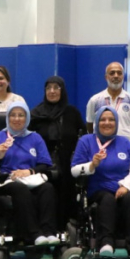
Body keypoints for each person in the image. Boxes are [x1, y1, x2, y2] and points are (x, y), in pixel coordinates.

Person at [70, 106, 130, 258]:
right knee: (107, 199)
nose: (107, 123)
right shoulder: (86, 141)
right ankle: (106, 242)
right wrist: (92, 165)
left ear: (117, 122)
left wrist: (126, 186)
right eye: (103, 119)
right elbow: (74, 170)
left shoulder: (124, 142)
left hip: (122, 187)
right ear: (96, 122)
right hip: (98, 189)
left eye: (111, 119)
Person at [0, 102, 59, 246]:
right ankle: (34, 234)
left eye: (21, 115)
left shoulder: (35, 138)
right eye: (13, 115)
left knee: (47, 188)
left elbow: (45, 164)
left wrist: (28, 171)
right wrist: (0, 155)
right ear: (8, 118)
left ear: (27, 118)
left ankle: (49, 232)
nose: (17, 119)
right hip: (5, 180)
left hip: (30, 178)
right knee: (20, 189)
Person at [30, 75, 86, 228]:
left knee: (67, 196)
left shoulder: (72, 113)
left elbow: (83, 137)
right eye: (48, 88)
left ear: (63, 91)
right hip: (43, 164)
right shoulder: (36, 114)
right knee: (46, 195)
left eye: (56, 88)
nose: (52, 91)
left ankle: (66, 230)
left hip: (68, 164)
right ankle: (45, 229)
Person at [85, 61, 130, 142]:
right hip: (101, 146)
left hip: (124, 146)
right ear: (106, 77)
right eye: (112, 73)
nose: (116, 76)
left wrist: (128, 143)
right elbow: (90, 125)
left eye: (119, 73)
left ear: (123, 76)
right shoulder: (95, 100)